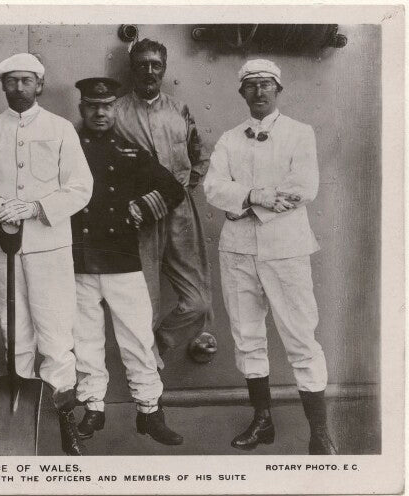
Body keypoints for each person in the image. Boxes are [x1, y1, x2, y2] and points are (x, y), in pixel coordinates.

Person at [203, 59, 336, 455]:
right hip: (238, 251)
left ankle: (320, 432)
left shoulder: (299, 133)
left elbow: (303, 187)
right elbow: (213, 187)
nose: (259, 91)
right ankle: (262, 421)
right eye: (251, 85)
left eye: (266, 84)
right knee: (247, 336)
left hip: (286, 249)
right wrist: (252, 196)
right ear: (242, 93)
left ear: (278, 90)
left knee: (300, 335)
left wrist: (244, 201)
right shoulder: (229, 139)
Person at [0, 53, 93, 456]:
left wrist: (36, 207)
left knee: (55, 336)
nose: (19, 88)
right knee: (14, 335)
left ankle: (64, 423)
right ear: (3, 86)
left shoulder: (59, 130)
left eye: (26, 81)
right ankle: (19, 429)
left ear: (39, 85)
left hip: (49, 247)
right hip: (1, 247)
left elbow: (79, 187)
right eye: (11, 81)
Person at [70, 77, 185, 445]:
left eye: (106, 106)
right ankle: (93, 409)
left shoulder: (129, 151)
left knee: (137, 337)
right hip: (77, 260)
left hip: (122, 257)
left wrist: (140, 207)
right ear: (82, 109)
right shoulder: (65, 147)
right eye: (92, 106)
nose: (100, 113)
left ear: (115, 109)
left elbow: (173, 188)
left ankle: (150, 412)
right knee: (85, 339)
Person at [113, 38, 217, 364]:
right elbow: (100, 164)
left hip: (180, 215)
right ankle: (148, 390)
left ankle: (159, 341)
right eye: (142, 64)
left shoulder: (178, 110)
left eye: (155, 65)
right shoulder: (115, 113)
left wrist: (181, 191)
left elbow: (199, 157)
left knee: (198, 301)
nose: (149, 70)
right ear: (133, 69)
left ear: (164, 70)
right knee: (145, 303)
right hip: (140, 219)